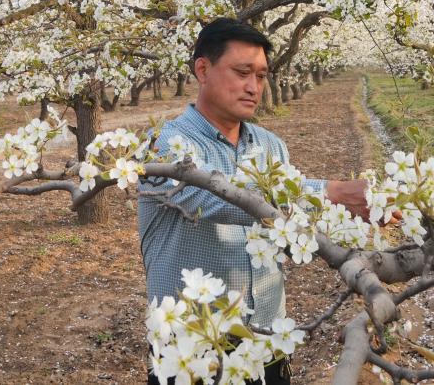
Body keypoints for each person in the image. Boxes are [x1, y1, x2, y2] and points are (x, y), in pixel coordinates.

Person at [138, 19, 370, 385]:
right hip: (191, 353)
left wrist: (345, 223)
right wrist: (331, 192)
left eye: (261, 76)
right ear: (203, 69)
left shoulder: (270, 146)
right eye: (242, 72)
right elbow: (217, 198)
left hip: (265, 344)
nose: (253, 87)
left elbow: (287, 231)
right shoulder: (163, 146)